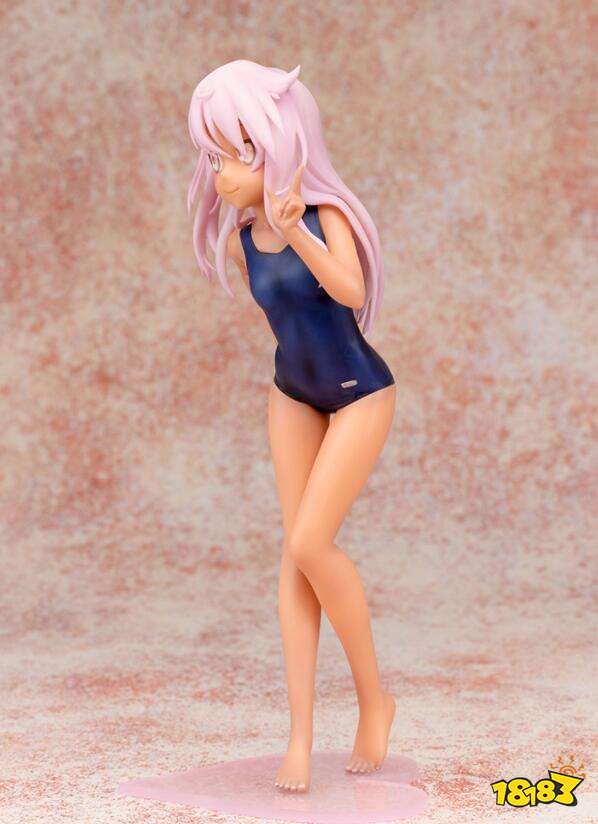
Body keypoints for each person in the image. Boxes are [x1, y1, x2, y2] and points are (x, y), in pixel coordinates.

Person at [187, 59, 397, 793]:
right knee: (293, 557)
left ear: (280, 143)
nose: (221, 173)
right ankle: (300, 736)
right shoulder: (243, 238)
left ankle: (375, 702)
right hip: (292, 394)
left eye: (238, 153)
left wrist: (295, 232)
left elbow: (350, 291)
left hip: (361, 393)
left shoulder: (323, 217)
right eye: (214, 157)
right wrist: (269, 227)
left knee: (312, 542)